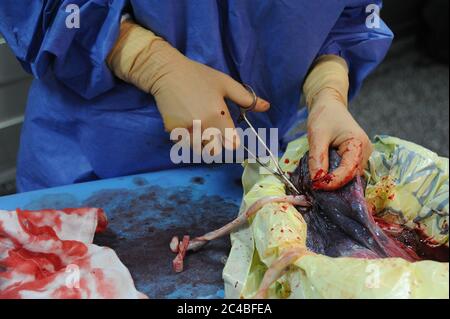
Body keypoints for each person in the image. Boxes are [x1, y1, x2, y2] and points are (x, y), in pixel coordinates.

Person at [0, 0, 393, 192]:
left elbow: (350, 15)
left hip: (249, 158)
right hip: (96, 157)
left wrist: (328, 89)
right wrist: (147, 61)